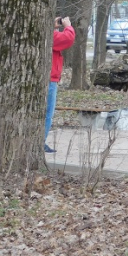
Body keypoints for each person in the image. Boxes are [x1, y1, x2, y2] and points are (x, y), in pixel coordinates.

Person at [45, 16, 75, 153]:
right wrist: (68, 26)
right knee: (47, 113)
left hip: (49, 78)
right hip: (50, 79)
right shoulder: (50, 36)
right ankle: (41, 141)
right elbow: (67, 39)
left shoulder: (46, 35)